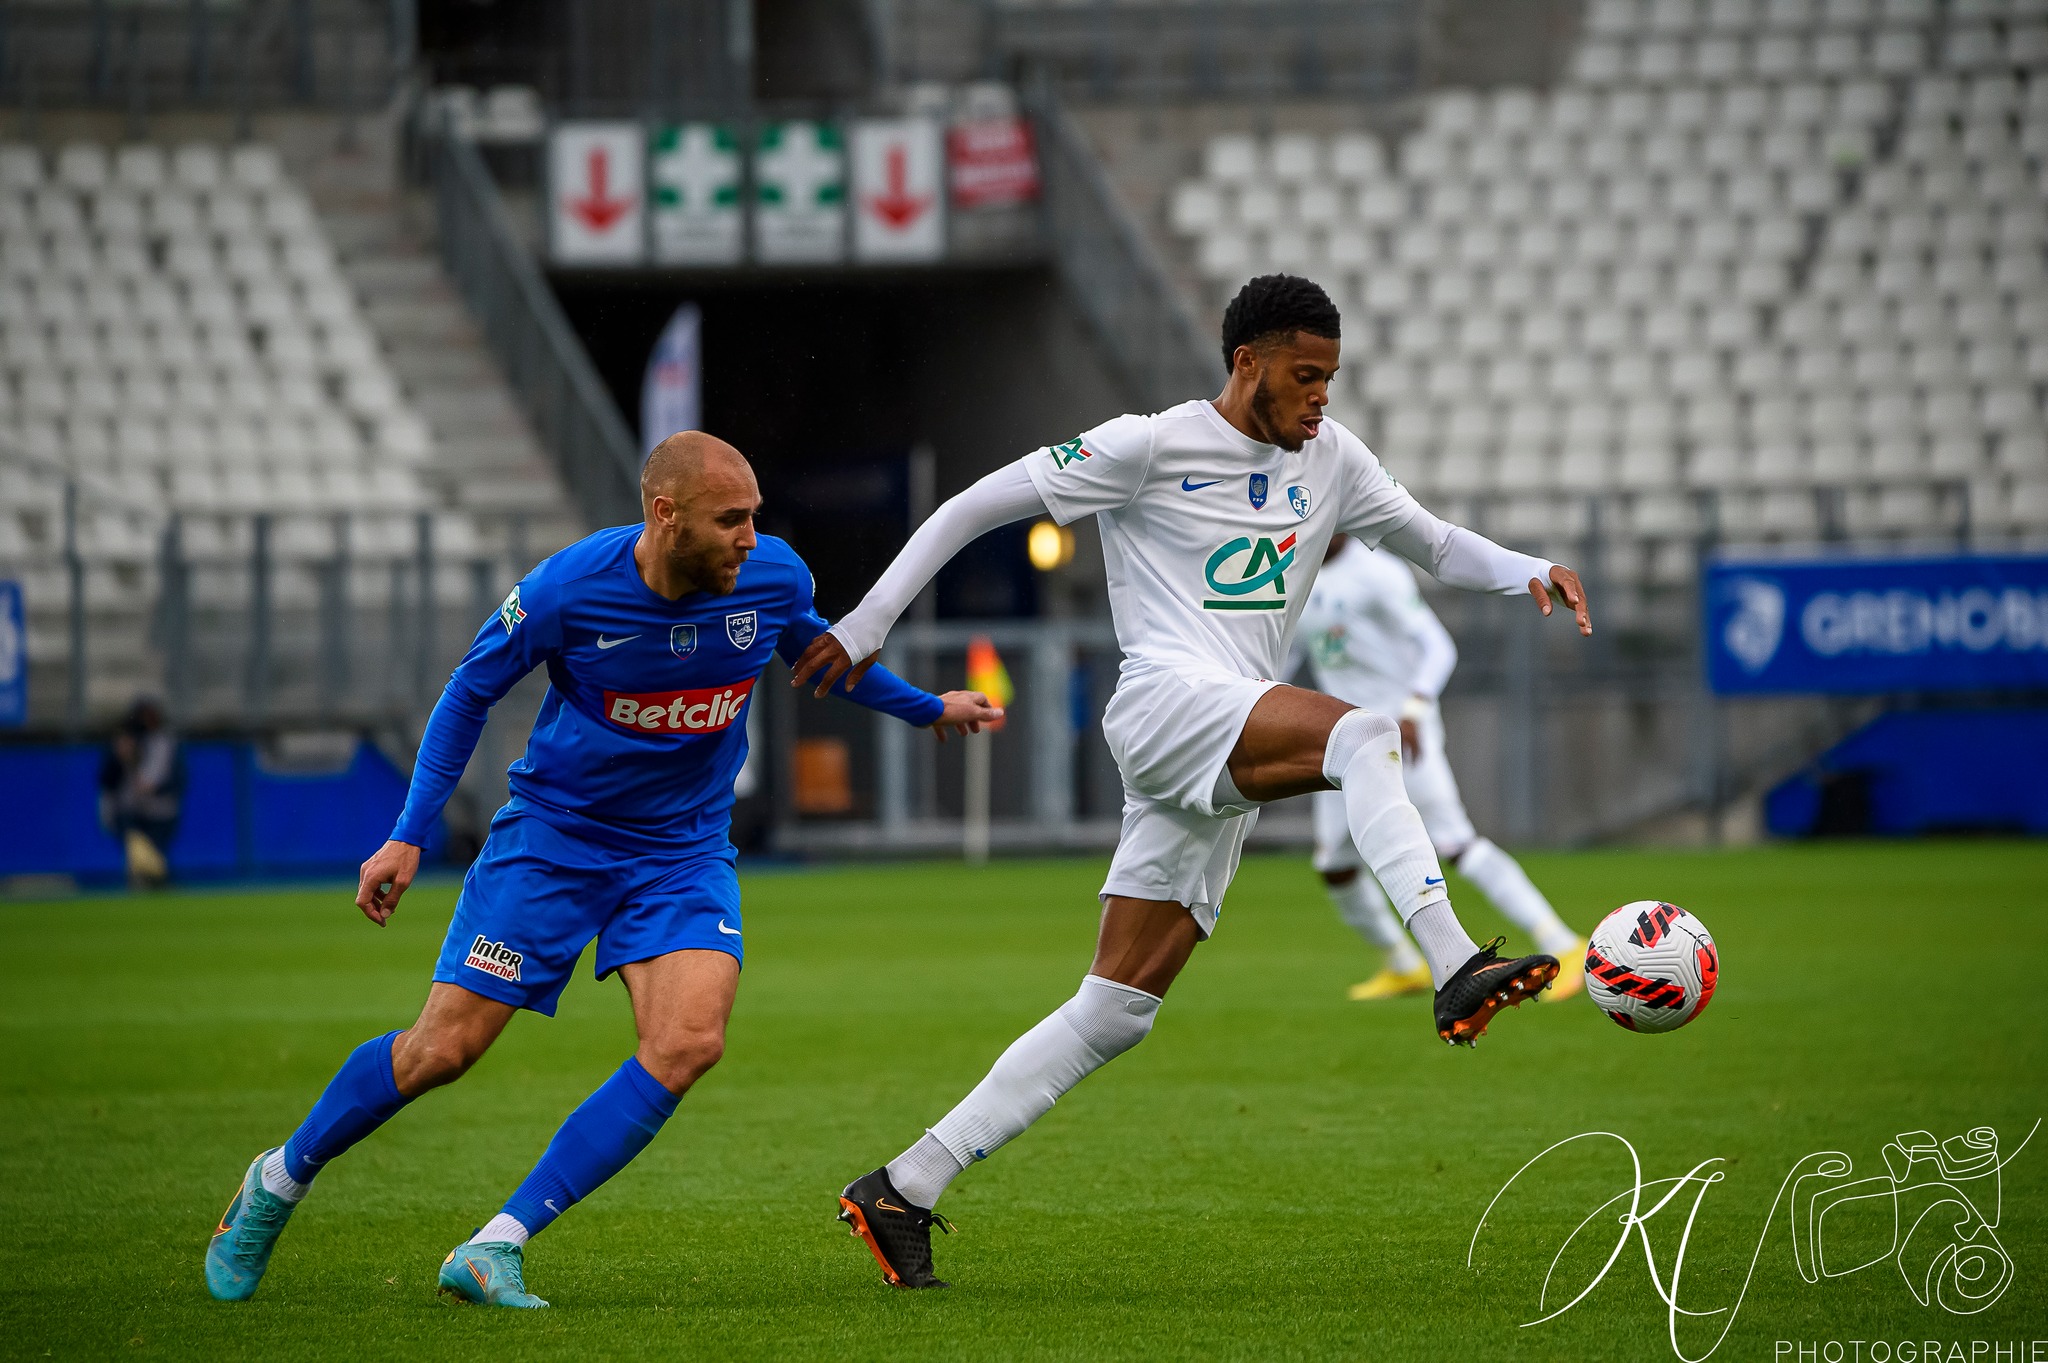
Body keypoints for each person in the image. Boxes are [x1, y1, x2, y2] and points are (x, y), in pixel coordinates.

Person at [791, 274, 1595, 1289]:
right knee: (1362, 736)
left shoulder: (1333, 459)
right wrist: (866, 623)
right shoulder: (1149, 443)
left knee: (1116, 1007)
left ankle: (904, 1183)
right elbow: (968, 507)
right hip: (1168, 702)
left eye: (1331, 379)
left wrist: (1530, 565)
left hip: (1222, 727)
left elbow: (1431, 543)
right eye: (1304, 376)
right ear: (1245, 362)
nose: (1320, 398)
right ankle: (1449, 962)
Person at [203, 432, 1001, 1308]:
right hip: (556, 841)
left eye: (754, 518)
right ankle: (277, 1179)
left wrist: (928, 709)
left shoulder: (773, 579)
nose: (749, 537)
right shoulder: (566, 590)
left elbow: (822, 658)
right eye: (730, 519)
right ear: (665, 516)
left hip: (683, 849)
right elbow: (469, 690)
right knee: (443, 1049)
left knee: (688, 1041)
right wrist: (408, 834)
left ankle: (495, 1243)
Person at [1293, 534, 1585, 1003]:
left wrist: (1414, 707)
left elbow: (1438, 646)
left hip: (1400, 732)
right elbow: (1291, 654)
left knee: (1456, 843)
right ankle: (1403, 962)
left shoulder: (1378, 573)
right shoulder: (1296, 574)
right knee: (1335, 864)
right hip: (1341, 736)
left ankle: (1564, 943)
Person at [99, 696, 184, 889]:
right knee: (136, 852)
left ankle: (158, 884)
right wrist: (119, 757)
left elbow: (179, 778)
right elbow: (107, 778)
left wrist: (159, 789)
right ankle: (140, 883)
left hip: (161, 809)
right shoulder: (124, 740)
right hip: (130, 807)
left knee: (156, 856)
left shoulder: (167, 741)